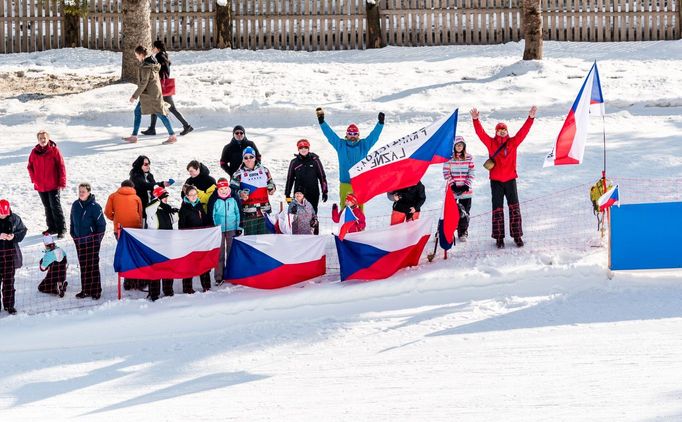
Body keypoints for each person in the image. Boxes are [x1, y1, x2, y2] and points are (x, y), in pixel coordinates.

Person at [471, 106, 537, 248]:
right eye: (500, 130)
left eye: (504, 129)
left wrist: (530, 118)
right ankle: (499, 238)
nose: (502, 131)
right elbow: (480, 133)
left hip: (510, 180)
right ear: (496, 132)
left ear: (507, 131)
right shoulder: (491, 143)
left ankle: (517, 236)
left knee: (514, 208)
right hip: (496, 182)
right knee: (497, 209)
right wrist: (476, 120)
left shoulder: (513, 142)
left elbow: (523, 132)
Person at [316, 107, 384, 208]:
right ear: (346, 134)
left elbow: (374, 136)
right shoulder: (341, 145)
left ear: (358, 135)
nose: (352, 135)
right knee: (344, 207)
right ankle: (344, 224)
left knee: (360, 207)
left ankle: (360, 224)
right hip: (345, 182)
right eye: (350, 133)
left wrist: (380, 123)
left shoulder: (364, 145)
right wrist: (321, 121)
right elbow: (330, 135)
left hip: (360, 182)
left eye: (355, 134)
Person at [123, 45, 176, 145]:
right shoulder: (151, 63)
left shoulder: (146, 67)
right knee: (137, 111)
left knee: (161, 114)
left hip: (151, 96)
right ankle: (134, 136)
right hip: (149, 94)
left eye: (136, 55)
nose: (136, 57)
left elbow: (144, 83)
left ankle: (172, 135)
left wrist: (134, 96)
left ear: (141, 54)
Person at [141, 40, 193, 137]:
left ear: (158, 48)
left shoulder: (159, 56)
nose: (152, 49)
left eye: (154, 47)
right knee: (155, 106)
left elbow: (161, 71)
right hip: (163, 84)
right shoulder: (164, 55)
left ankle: (187, 126)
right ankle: (152, 128)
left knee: (171, 108)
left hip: (162, 85)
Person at [104, 180, 143, 291]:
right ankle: (137, 280)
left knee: (124, 254)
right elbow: (140, 215)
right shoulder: (137, 198)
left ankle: (127, 281)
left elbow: (107, 212)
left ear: (121, 186)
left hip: (120, 229)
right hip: (134, 230)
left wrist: (115, 218)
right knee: (134, 255)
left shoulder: (113, 196)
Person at [27, 129, 67, 238]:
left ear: (48, 138)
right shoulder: (34, 152)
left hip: (53, 184)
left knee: (55, 206)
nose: (43, 140)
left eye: (44, 138)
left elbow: (61, 166)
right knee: (47, 207)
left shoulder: (54, 150)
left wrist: (62, 181)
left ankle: (61, 229)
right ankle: (52, 227)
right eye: (40, 138)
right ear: (38, 140)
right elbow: (30, 166)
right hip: (40, 186)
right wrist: (34, 179)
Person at [69, 183, 106, 299]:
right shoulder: (75, 205)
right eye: (80, 191)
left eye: (83, 191)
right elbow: (72, 221)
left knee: (93, 266)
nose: (81, 193)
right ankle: (85, 289)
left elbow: (102, 225)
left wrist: (96, 241)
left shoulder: (95, 207)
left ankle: (96, 291)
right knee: (83, 266)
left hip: (91, 242)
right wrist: (73, 234)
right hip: (79, 241)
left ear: (89, 192)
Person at [284, 139, 328, 234]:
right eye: (301, 148)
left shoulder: (315, 160)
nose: (303, 149)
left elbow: (322, 176)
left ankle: (314, 236)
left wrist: (325, 191)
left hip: (313, 193)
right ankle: (298, 237)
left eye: (305, 147)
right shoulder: (294, 162)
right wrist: (287, 194)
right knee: (298, 216)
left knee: (312, 215)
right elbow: (290, 179)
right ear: (298, 149)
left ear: (309, 148)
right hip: (299, 194)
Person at [230, 147, 276, 235]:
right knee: (251, 242)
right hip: (249, 213)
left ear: (255, 157)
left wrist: (272, 189)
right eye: (245, 157)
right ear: (243, 159)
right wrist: (241, 194)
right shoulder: (238, 174)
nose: (248, 159)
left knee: (265, 241)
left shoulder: (264, 170)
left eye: (251, 157)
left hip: (264, 211)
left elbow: (271, 183)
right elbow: (231, 191)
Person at [145, 186, 179, 300]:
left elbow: (174, 220)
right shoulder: (151, 209)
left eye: (166, 197)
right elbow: (149, 209)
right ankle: (154, 293)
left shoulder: (167, 208)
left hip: (168, 242)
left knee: (168, 267)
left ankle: (168, 290)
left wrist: (176, 212)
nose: (166, 199)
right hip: (155, 244)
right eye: (163, 197)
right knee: (155, 268)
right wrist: (158, 199)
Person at [178, 185, 211, 293]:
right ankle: (187, 287)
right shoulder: (184, 209)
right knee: (189, 263)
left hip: (201, 239)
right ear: (187, 196)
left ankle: (206, 285)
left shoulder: (199, 205)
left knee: (203, 261)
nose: (193, 197)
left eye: (195, 195)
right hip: (190, 240)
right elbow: (181, 226)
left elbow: (205, 220)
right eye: (191, 195)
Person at [207, 178, 240, 286]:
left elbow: (238, 212)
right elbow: (211, 214)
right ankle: (219, 276)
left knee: (231, 252)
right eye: (221, 189)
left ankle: (232, 275)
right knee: (219, 253)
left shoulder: (233, 197)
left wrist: (239, 227)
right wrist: (213, 228)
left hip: (232, 228)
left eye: (226, 188)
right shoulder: (214, 199)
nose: (224, 191)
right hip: (219, 229)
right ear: (218, 188)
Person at [442, 136, 475, 241]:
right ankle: (448, 231)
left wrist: (466, 184)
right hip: (453, 190)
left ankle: (463, 231)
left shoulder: (469, 157)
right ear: (454, 146)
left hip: (466, 190)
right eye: (457, 145)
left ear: (464, 146)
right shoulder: (449, 158)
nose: (459, 147)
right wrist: (452, 185)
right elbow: (446, 172)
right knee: (450, 211)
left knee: (464, 211)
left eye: (461, 145)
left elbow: (472, 172)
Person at [0, 199, 27, 315]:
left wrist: (14, 237)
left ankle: (9, 305)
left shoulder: (15, 218)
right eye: (1, 213)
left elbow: (23, 230)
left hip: (10, 255)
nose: (4, 215)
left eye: (5, 213)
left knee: (9, 282)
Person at [129, 155, 172, 220]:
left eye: (149, 164)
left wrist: (162, 186)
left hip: (151, 206)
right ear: (140, 165)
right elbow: (144, 185)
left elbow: (154, 187)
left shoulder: (150, 175)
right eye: (146, 164)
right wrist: (161, 183)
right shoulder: (135, 176)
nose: (148, 166)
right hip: (141, 207)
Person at [38, 233, 68, 298]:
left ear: (45, 245)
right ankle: (61, 283)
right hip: (63, 274)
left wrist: (41, 262)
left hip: (52, 276)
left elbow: (42, 268)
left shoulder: (48, 255)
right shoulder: (61, 250)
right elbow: (66, 262)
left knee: (41, 287)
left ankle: (55, 288)